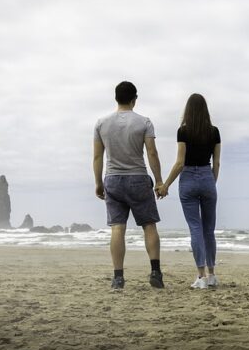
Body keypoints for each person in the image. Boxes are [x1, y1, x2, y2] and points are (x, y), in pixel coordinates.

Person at [93, 81, 167, 290]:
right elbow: (152, 153)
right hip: (138, 178)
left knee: (117, 228)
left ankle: (118, 277)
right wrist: (159, 181)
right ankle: (155, 272)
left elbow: (98, 156)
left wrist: (99, 183)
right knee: (149, 225)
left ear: (116, 98)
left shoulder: (101, 123)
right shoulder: (144, 122)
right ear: (134, 99)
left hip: (113, 179)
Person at [158, 93, 221, 289]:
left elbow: (179, 162)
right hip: (207, 177)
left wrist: (165, 185)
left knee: (195, 228)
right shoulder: (214, 131)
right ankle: (212, 275)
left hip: (188, 180)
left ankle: (200, 276)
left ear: (188, 110)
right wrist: (211, 181)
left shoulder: (183, 131)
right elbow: (217, 162)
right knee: (209, 230)